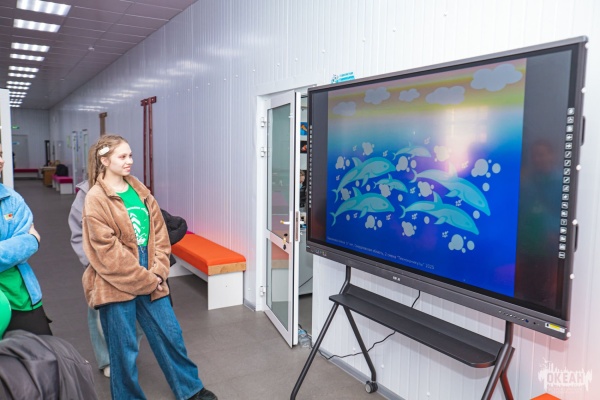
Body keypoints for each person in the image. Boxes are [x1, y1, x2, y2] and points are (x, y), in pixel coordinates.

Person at [81, 135, 217, 400]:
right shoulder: (95, 198)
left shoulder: (139, 189)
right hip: (116, 279)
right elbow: (106, 252)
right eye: (122, 156)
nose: (129, 161)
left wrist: (159, 270)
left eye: (130, 155)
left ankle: (190, 390)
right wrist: (146, 279)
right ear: (105, 161)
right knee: (123, 348)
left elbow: (159, 234)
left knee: (170, 334)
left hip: (151, 270)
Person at [68, 178, 143, 378]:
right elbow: (77, 233)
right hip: (101, 267)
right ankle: (107, 359)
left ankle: (128, 353)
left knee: (136, 313)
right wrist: (91, 263)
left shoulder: (132, 186)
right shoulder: (86, 193)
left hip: (132, 264)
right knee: (99, 314)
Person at [0, 142, 52, 336]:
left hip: (20, 297)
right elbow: (27, 240)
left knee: (43, 351)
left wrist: (30, 241)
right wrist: (30, 240)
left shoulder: (12, 199)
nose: (2, 160)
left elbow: (28, 245)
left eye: (1, 154)